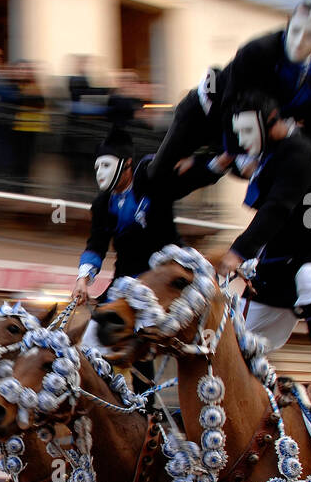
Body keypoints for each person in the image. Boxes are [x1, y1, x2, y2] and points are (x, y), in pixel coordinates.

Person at [215, 92, 311, 406]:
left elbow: (277, 209)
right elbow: (239, 163)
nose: (242, 139)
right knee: (237, 338)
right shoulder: (271, 153)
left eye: (247, 131)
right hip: (283, 257)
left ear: (271, 123)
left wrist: (238, 251)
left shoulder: (300, 154)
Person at [69, 125, 225, 391]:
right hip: (127, 281)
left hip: (166, 276)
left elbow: (183, 178)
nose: (100, 173)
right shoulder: (101, 205)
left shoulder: (149, 174)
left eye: (105, 165)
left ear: (127, 164)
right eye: (96, 167)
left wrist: (220, 161)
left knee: (141, 327)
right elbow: (96, 245)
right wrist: (84, 279)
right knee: (90, 341)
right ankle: (112, 403)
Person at [147, 0, 311, 185]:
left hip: (250, 132)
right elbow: (232, 100)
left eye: (310, 35)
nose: (300, 41)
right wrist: (241, 157)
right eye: (296, 30)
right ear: (288, 22)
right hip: (204, 114)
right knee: (158, 175)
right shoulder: (258, 51)